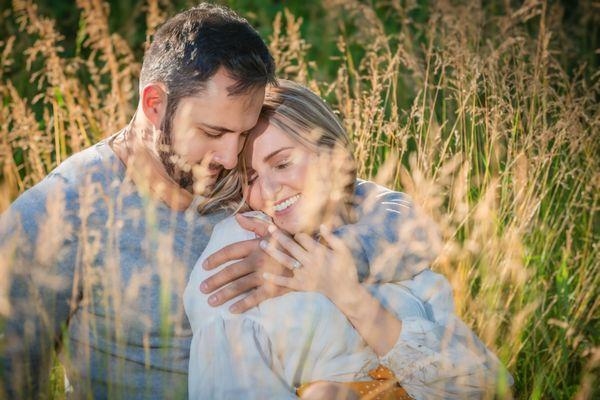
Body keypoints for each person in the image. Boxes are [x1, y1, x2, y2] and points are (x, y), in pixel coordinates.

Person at [0, 4, 437, 399]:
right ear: (154, 104)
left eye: (243, 133)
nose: (231, 157)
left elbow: (409, 225)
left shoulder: (255, 179)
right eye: (212, 133)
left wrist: (307, 264)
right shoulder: (56, 216)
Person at [184, 80, 511, 399]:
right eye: (251, 178)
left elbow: (488, 389)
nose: (269, 191)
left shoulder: (383, 235)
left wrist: (342, 289)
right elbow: (230, 382)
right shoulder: (240, 249)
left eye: (283, 163)